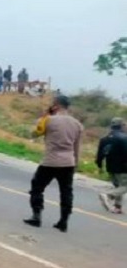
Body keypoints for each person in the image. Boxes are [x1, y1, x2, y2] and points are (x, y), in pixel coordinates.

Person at [23, 95, 83, 232]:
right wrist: (76, 164)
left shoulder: (49, 120)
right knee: (66, 191)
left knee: (37, 187)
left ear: (55, 105)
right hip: (68, 162)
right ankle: (63, 221)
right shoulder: (77, 124)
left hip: (50, 161)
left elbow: (34, 133)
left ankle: (36, 216)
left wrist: (46, 114)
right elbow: (77, 147)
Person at [97, 117, 127, 214]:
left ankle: (117, 207)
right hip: (123, 167)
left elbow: (100, 154)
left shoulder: (104, 139)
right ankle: (108, 195)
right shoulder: (124, 138)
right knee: (124, 186)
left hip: (110, 167)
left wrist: (100, 166)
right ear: (121, 126)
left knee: (118, 186)